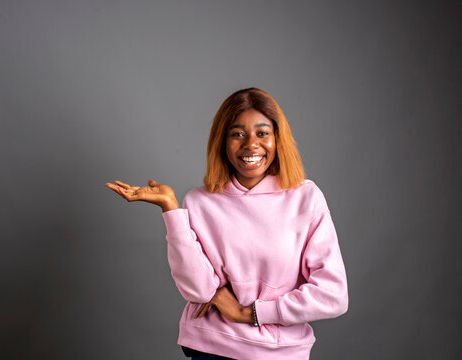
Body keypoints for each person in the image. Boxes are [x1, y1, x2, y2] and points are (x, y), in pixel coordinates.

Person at [106, 88, 348, 360]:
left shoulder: (305, 197)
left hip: (280, 352)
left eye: (262, 133)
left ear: (278, 139)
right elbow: (198, 290)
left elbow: (332, 295)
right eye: (238, 134)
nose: (251, 144)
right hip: (212, 347)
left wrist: (250, 313)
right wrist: (172, 209)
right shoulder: (199, 201)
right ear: (222, 141)